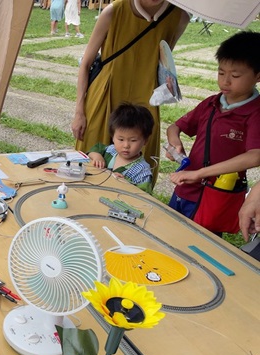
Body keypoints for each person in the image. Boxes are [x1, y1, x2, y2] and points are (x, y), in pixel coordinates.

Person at [71, 0, 189, 184]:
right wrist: (79, 111)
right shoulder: (113, 11)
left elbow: (163, 60)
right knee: (88, 161)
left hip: (145, 98)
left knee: (138, 165)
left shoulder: (179, 17)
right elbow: (86, 64)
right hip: (105, 93)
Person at [167, 31, 260, 223]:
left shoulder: (255, 113)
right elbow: (174, 127)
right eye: (221, 72)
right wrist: (175, 144)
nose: (225, 81)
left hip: (217, 194)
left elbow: (255, 156)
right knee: (169, 228)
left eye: (235, 75)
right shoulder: (211, 103)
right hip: (185, 185)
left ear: (258, 76)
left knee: (200, 243)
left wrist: (199, 174)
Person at [88, 103, 155, 193]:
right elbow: (95, 149)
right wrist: (97, 156)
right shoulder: (110, 151)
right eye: (121, 139)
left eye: (133, 140)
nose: (126, 145)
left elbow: (144, 198)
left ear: (145, 140)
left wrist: (125, 185)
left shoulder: (142, 172)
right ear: (112, 137)